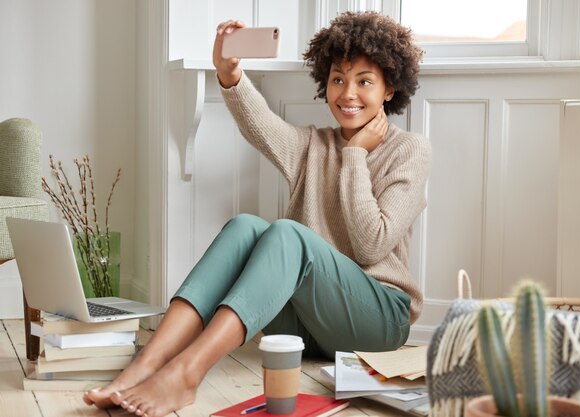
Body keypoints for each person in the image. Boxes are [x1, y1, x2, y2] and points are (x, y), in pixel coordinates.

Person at [83, 10, 431, 417]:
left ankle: (187, 374)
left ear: (390, 89)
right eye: (338, 79)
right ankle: (144, 365)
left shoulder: (409, 150)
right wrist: (228, 71)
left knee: (287, 233)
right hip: (308, 330)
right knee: (245, 226)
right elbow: (258, 124)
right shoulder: (313, 146)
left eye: (364, 81)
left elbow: (371, 245)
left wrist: (354, 156)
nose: (348, 93)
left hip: (378, 320)